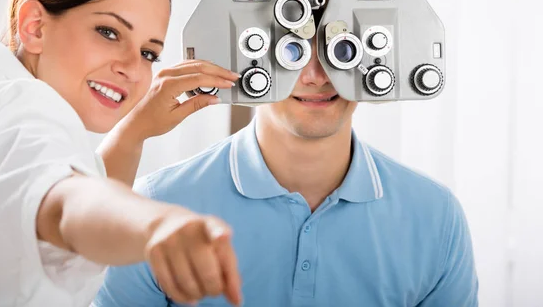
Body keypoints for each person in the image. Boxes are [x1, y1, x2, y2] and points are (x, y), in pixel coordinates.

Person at [0, 0, 243, 307]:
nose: (133, 69)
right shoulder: (23, 109)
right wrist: (156, 226)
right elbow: (67, 205)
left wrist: (134, 132)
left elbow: (61, 203)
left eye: (149, 53)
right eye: (109, 32)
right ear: (34, 26)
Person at [94, 21, 480, 306]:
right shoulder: (156, 206)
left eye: (341, 52)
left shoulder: (434, 217)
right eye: (291, 52)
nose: (316, 76)